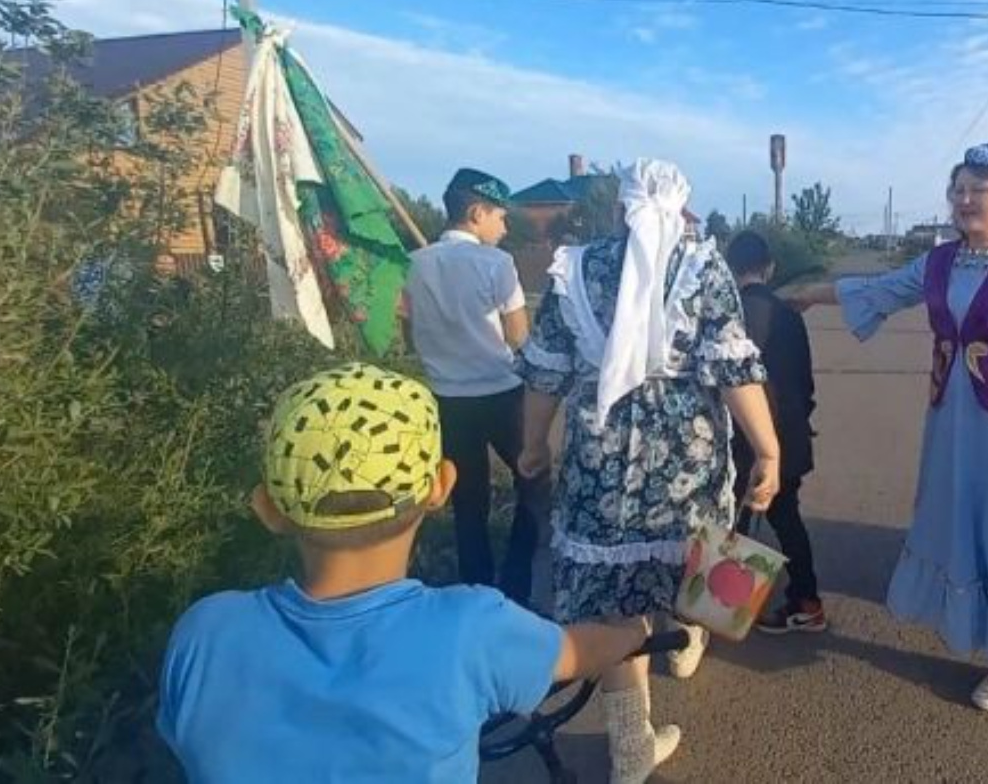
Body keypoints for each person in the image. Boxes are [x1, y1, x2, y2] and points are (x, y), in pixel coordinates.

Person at [156, 363, 647, 783]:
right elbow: (577, 653)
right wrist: (630, 633)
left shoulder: (203, 635)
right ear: (440, 487)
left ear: (268, 508)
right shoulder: (471, 629)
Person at [785, 143, 988, 713]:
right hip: (950, 421)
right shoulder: (940, 262)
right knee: (962, 521)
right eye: (958, 189)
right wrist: (806, 294)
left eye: (978, 189)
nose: (964, 199)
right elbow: (879, 289)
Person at [517, 159, 781, 784]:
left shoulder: (575, 268)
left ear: (619, 209)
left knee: (615, 603)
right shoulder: (700, 264)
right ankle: (689, 639)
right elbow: (733, 369)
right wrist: (767, 450)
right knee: (695, 562)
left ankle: (631, 748)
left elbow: (546, 370)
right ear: (681, 208)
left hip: (600, 456)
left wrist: (533, 444)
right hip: (684, 459)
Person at [402, 168, 545, 602]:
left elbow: (409, 334)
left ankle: (477, 591)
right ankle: (519, 581)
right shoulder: (496, 264)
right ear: (476, 212)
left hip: (447, 399)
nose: (503, 227)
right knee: (535, 483)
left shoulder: (413, 263)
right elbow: (519, 336)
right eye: (499, 217)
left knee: (468, 502)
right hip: (502, 394)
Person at [725, 230, 825, 635]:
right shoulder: (789, 313)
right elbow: (805, 379)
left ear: (731, 270)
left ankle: (723, 606)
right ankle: (806, 601)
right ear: (769, 267)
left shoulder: (728, 315)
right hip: (789, 432)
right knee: (785, 517)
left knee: (732, 522)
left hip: (743, 436)